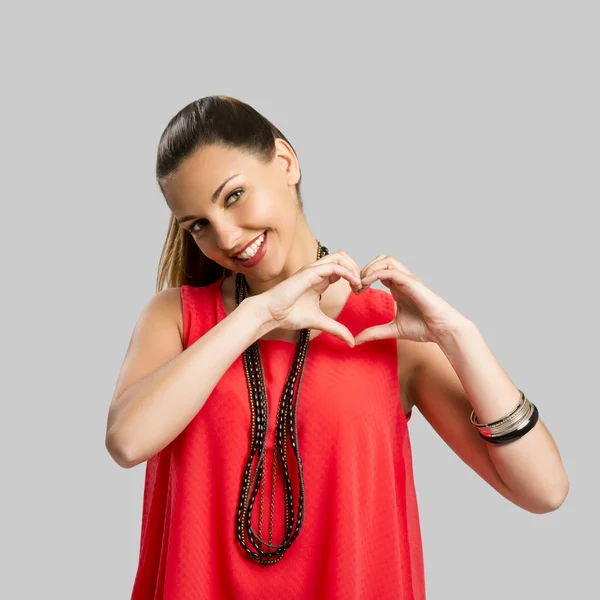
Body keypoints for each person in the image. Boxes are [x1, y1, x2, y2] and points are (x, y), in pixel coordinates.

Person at [105, 95, 569, 599]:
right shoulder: (176, 317)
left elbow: (544, 490)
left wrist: (461, 339)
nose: (227, 236)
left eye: (234, 196)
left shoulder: (385, 327)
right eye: (198, 225)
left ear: (285, 163)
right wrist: (259, 313)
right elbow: (128, 441)